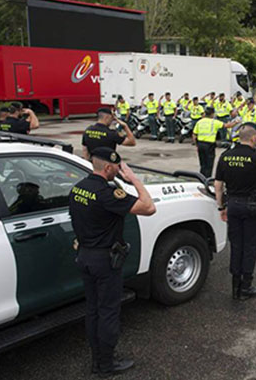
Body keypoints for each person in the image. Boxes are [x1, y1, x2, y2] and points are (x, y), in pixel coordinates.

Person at [69, 147, 155, 377]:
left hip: (84, 255)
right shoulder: (107, 193)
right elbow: (149, 207)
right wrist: (134, 180)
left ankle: (98, 359)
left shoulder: (78, 188)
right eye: (117, 167)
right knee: (108, 311)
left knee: (93, 309)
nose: (119, 170)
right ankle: (106, 366)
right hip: (104, 261)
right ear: (108, 167)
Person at [214, 123, 256, 300]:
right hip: (252, 207)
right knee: (250, 245)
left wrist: (221, 207)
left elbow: (218, 185)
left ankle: (235, 286)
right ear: (254, 138)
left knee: (236, 245)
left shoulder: (225, 156)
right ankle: (245, 287)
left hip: (233, 206)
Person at [192, 107, 239, 177]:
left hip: (200, 144)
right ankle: (207, 179)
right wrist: (236, 122)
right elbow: (228, 125)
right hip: (209, 145)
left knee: (203, 163)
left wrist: (196, 145)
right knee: (209, 164)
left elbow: (194, 134)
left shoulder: (200, 121)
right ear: (212, 114)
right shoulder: (214, 122)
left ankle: (201, 177)